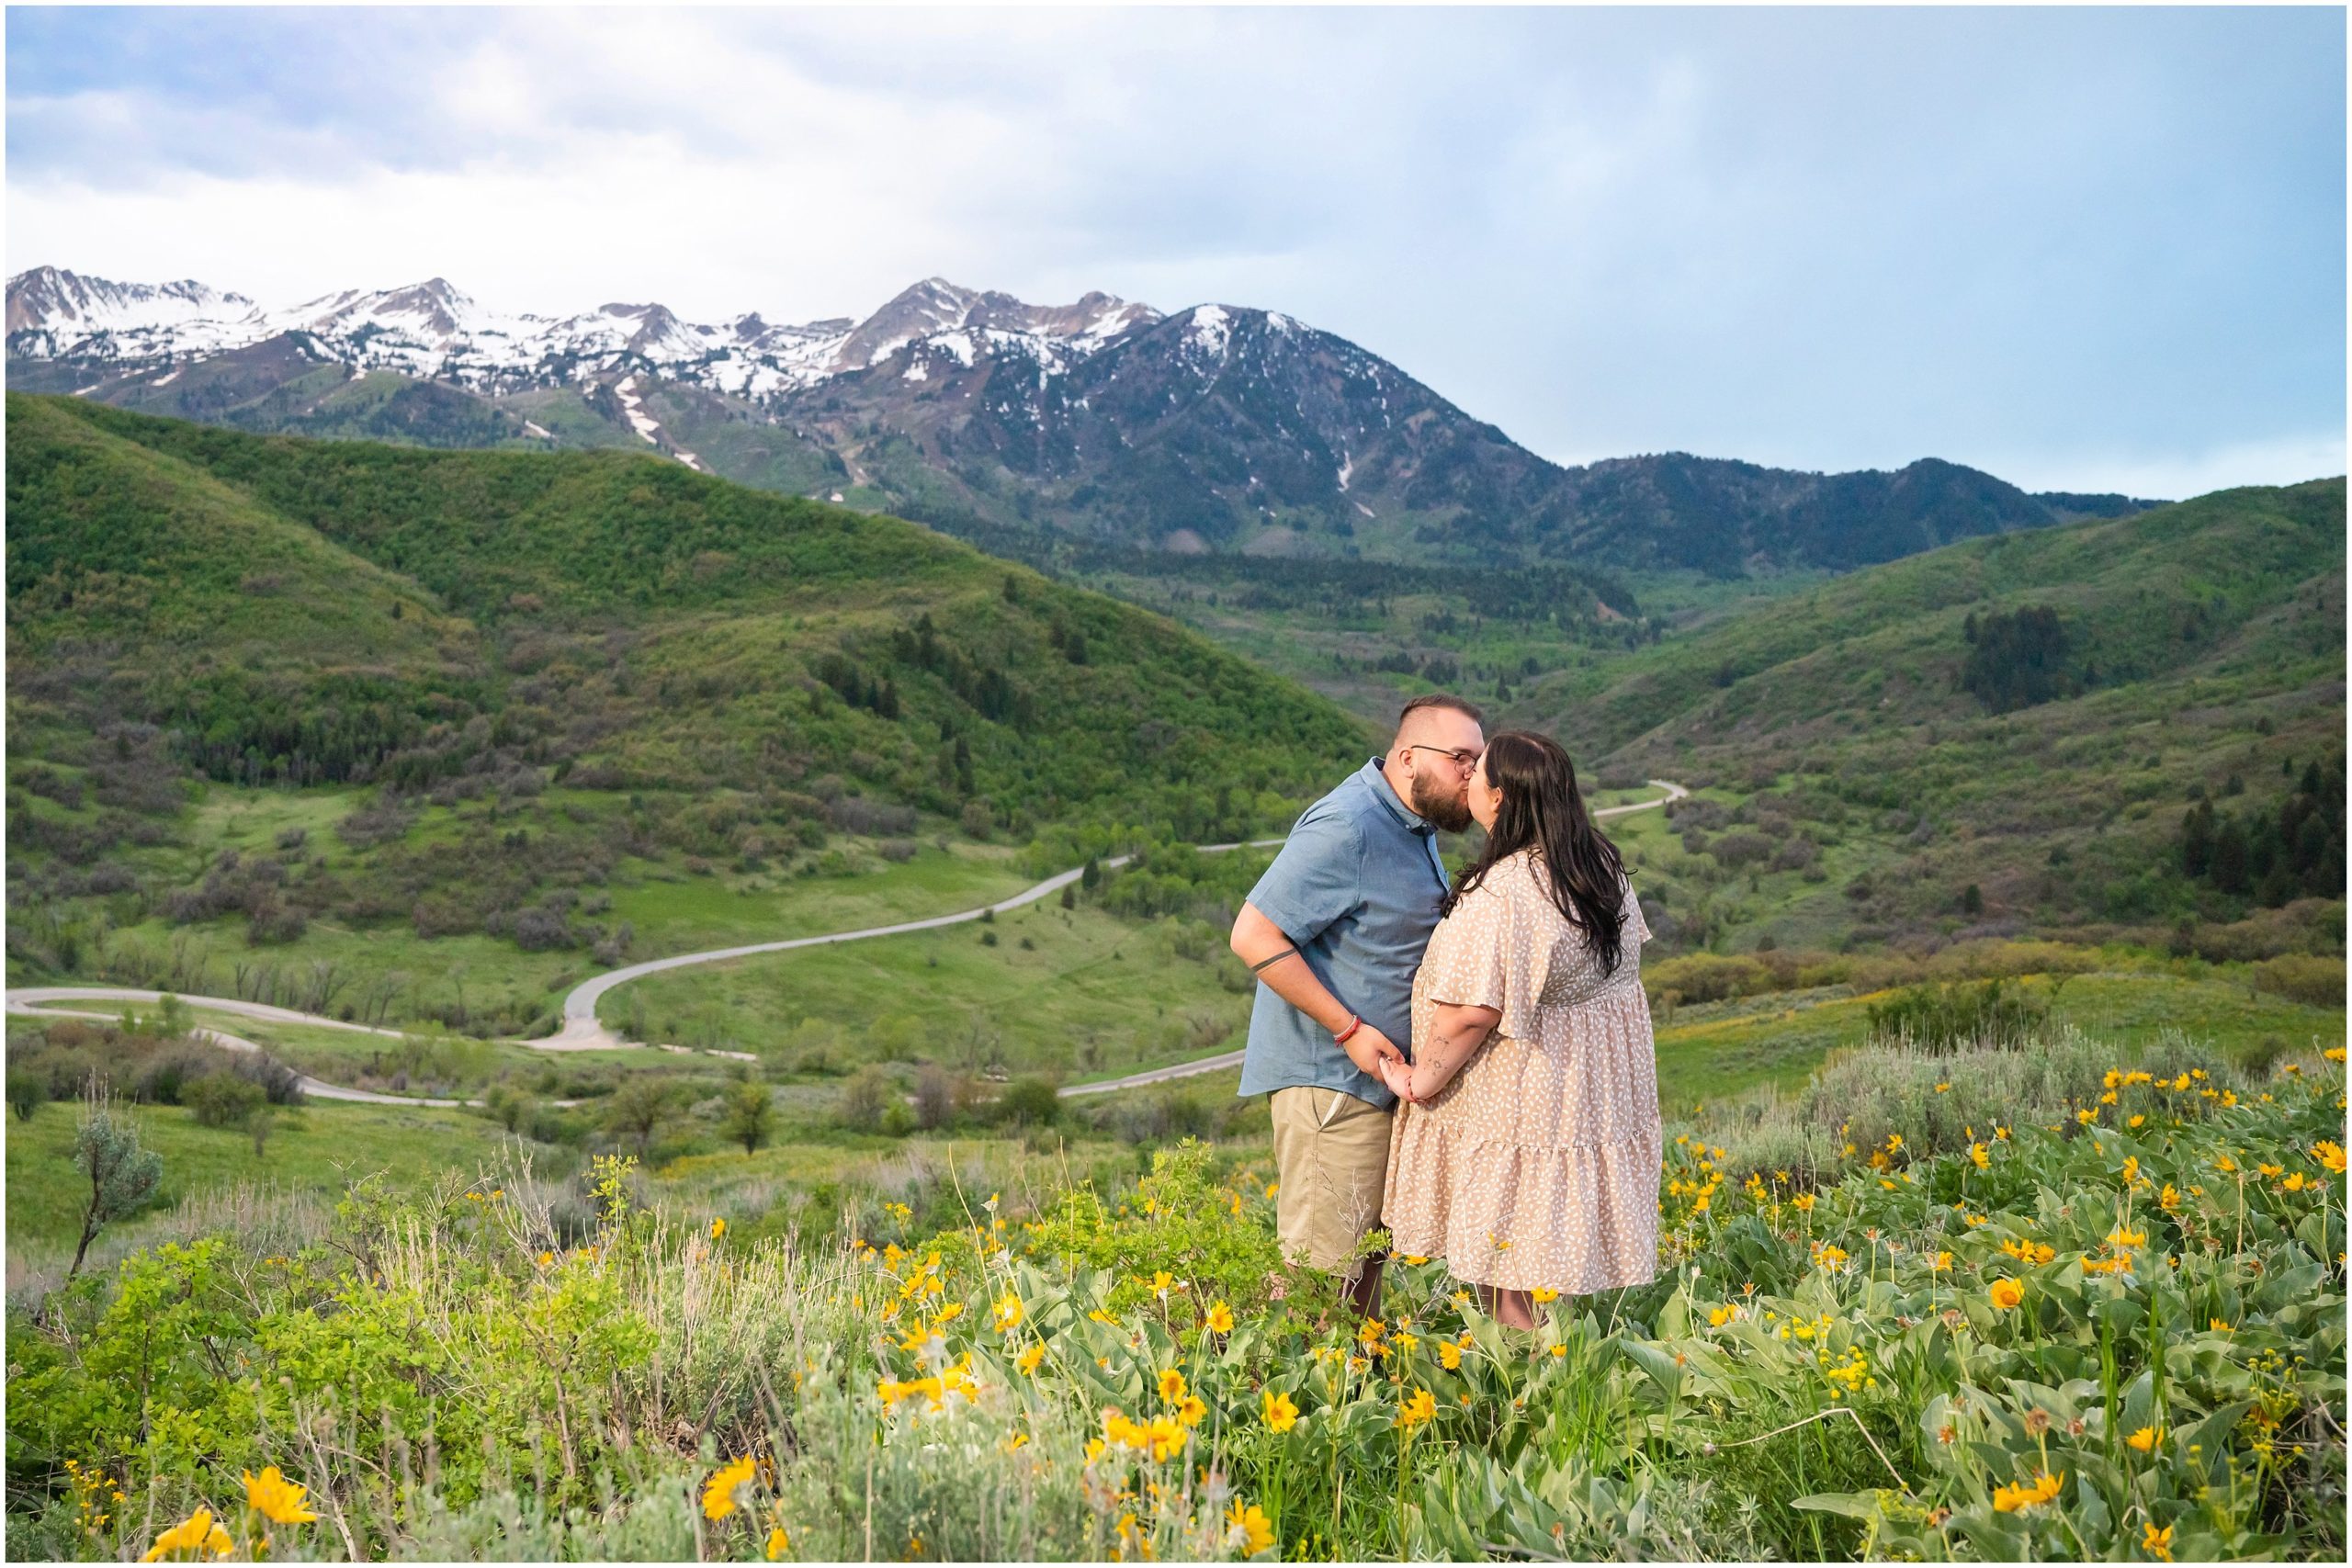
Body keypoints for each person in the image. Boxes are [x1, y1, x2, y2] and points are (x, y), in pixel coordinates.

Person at [1376, 729, 1660, 1328]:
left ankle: (1525, 1395)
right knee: (1533, 1259)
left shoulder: (1507, 890)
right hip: (1581, 1094)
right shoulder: (1598, 865)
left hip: (1520, 1103)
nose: (1467, 779)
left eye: (1477, 771)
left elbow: (1471, 1012)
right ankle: (1551, 1378)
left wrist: (1418, 1078)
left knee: (1507, 1269)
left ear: (1500, 798)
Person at [1229, 694, 1486, 1312]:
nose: (1473, 775)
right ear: (1406, 757)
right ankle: (1277, 1397)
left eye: (1479, 760)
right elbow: (1253, 934)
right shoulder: (1349, 824)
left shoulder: (1411, 824)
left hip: (1374, 1088)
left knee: (1357, 1277)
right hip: (1332, 1087)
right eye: (1460, 759)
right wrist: (1348, 1029)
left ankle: (1351, 1396)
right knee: (1320, 1280)